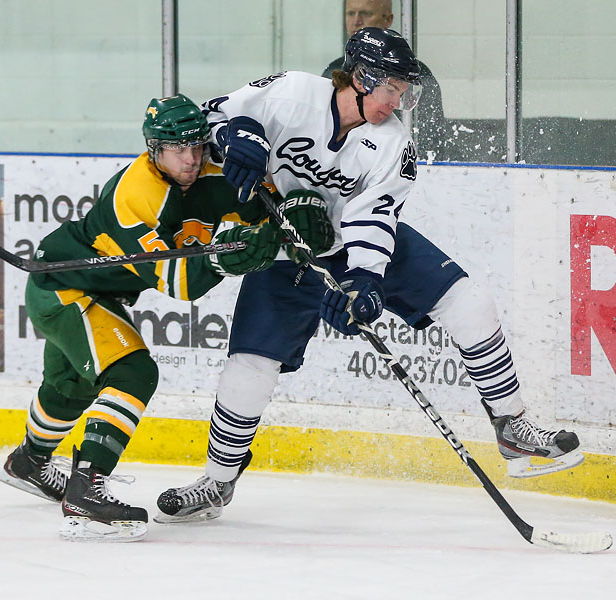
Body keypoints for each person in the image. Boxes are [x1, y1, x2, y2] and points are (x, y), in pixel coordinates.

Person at [154, 28, 583, 524]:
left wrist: (364, 280)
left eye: (404, 91)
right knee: (248, 367)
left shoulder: (393, 144)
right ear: (360, 77)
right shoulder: (292, 92)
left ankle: (512, 426)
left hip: (352, 246)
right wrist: (237, 135)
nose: (397, 101)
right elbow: (212, 115)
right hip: (286, 248)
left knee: (471, 303)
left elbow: (373, 215)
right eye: (392, 89)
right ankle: (218, 482)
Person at [0, 93, 282, 542]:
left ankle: (28, 463)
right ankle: (86, 490)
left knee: (69, 387)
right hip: (65, 289)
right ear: (155, 149)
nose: (189, 158)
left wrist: (286, 218)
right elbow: (180, 285)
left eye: (196, 146)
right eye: (176, 149)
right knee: (133, 372)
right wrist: (230, 260)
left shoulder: (210, 172)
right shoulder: (136, 194)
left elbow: (265, 211)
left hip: (97, 293)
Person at [322, 0, 449, 161]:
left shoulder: (416, 76)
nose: (356, 21)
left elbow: (431, 143)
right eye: (350, 13)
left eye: (366, 13)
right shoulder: (334, 69)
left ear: (388, 20)